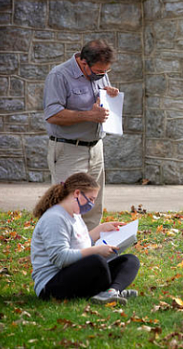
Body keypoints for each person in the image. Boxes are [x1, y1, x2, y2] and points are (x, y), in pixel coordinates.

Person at [30, 172, 140, 305]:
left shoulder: (75, 215)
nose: (92, 203)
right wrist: (96, 251)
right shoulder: (55, 218)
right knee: (96, 261)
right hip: (51, 285)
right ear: (77, 193)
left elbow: (78, 243)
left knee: (130, 260)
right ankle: (105, 291)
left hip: (74, 273)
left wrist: (102, 229)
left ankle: (110, 292)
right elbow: (60, 258)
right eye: (91, 198)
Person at [44, 39, 119, 231]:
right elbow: (52, 114)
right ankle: (63, 253)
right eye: (98, 72)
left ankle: (90, 253)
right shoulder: (59, 75)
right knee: (68, 205)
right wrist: (89, 115)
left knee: (93, 205)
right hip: (69, 149)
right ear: (83, 62)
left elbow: (98, 101)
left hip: (95, 148)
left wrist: (108, 96)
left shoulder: (98, 73)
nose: (101, 76)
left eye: (105, 73)